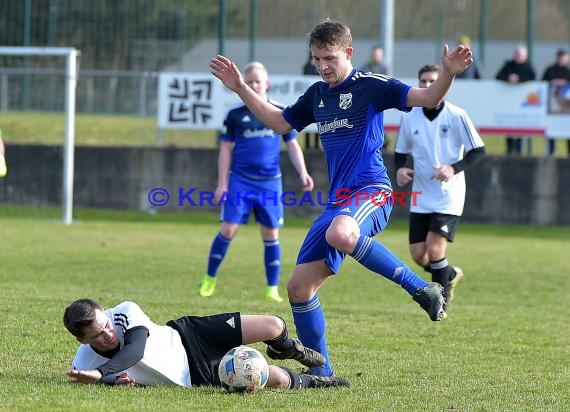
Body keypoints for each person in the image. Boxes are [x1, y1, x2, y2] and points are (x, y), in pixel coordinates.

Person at [210, 18, 473, 377]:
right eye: (317, 59)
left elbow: (426, 97)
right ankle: (322, 375)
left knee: (341, 234)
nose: (322, 66)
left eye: (329, 57)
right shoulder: (317, 95)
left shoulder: (371, 86)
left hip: (371, 190)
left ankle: (422, 289)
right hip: (338, 205)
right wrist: (240, 86)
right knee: (299, 288)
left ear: (348, 52)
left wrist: (448, 75)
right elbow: (280, 122)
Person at [199, 61, 314, 303]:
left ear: (267, 84)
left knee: (271, 233)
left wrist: (303, 172)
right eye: (249, 82)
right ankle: (209, 279)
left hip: (270, 183)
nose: (254, 85)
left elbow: (292, 144)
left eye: (258, 82)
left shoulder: (280, 112)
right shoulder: (235, 114)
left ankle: (271, 287)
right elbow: (225, 149)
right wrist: (222, 183)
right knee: (228, 228)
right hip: (240, 181)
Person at [63, 298, 350, 388]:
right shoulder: (84, 363)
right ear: (81, 339)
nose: (109, 333)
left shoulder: (124, 312)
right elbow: (87, 378)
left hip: (191, 334)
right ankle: (317, 383)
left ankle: (286, 348)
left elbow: (134, 349)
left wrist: (101, 375)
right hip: (195, 374)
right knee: (268, 375)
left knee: (273, 325)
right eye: (98, 335)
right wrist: (108, 381)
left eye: (107, 325)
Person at [394, 64, 486, 316]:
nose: (427, 85)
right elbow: (400, 153)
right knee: (419, 255)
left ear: (443, 83)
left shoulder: (456, 115)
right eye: (423, 81)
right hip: (421, 194)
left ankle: (440, 305)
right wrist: (401, 170)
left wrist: (453, 168)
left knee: (435, 250)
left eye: (432, 80)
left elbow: (479, 151)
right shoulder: (410, 117)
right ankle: (450, 273)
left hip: (449, 194)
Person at [495, 45, 536, 155]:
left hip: (523, 105)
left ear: (525, 56)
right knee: (509, 128)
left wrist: (519, 79)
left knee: (521, 129)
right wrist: (509, 78)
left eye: (520, 55)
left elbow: (532, 77)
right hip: (509, 104)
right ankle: (509, 151)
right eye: (517, 54)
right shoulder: (508, 65)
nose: (518, 57)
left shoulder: (528, 67)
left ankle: (520, 152)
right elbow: (498, 76)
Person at [541, 48, 570, 156]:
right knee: (552, 131)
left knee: (568, 131)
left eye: (563, 57)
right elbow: (543, 83)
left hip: (567, 109)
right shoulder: (550, 70)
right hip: (553, 108)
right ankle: (550, 154)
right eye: (559, 57)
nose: (561, 59)